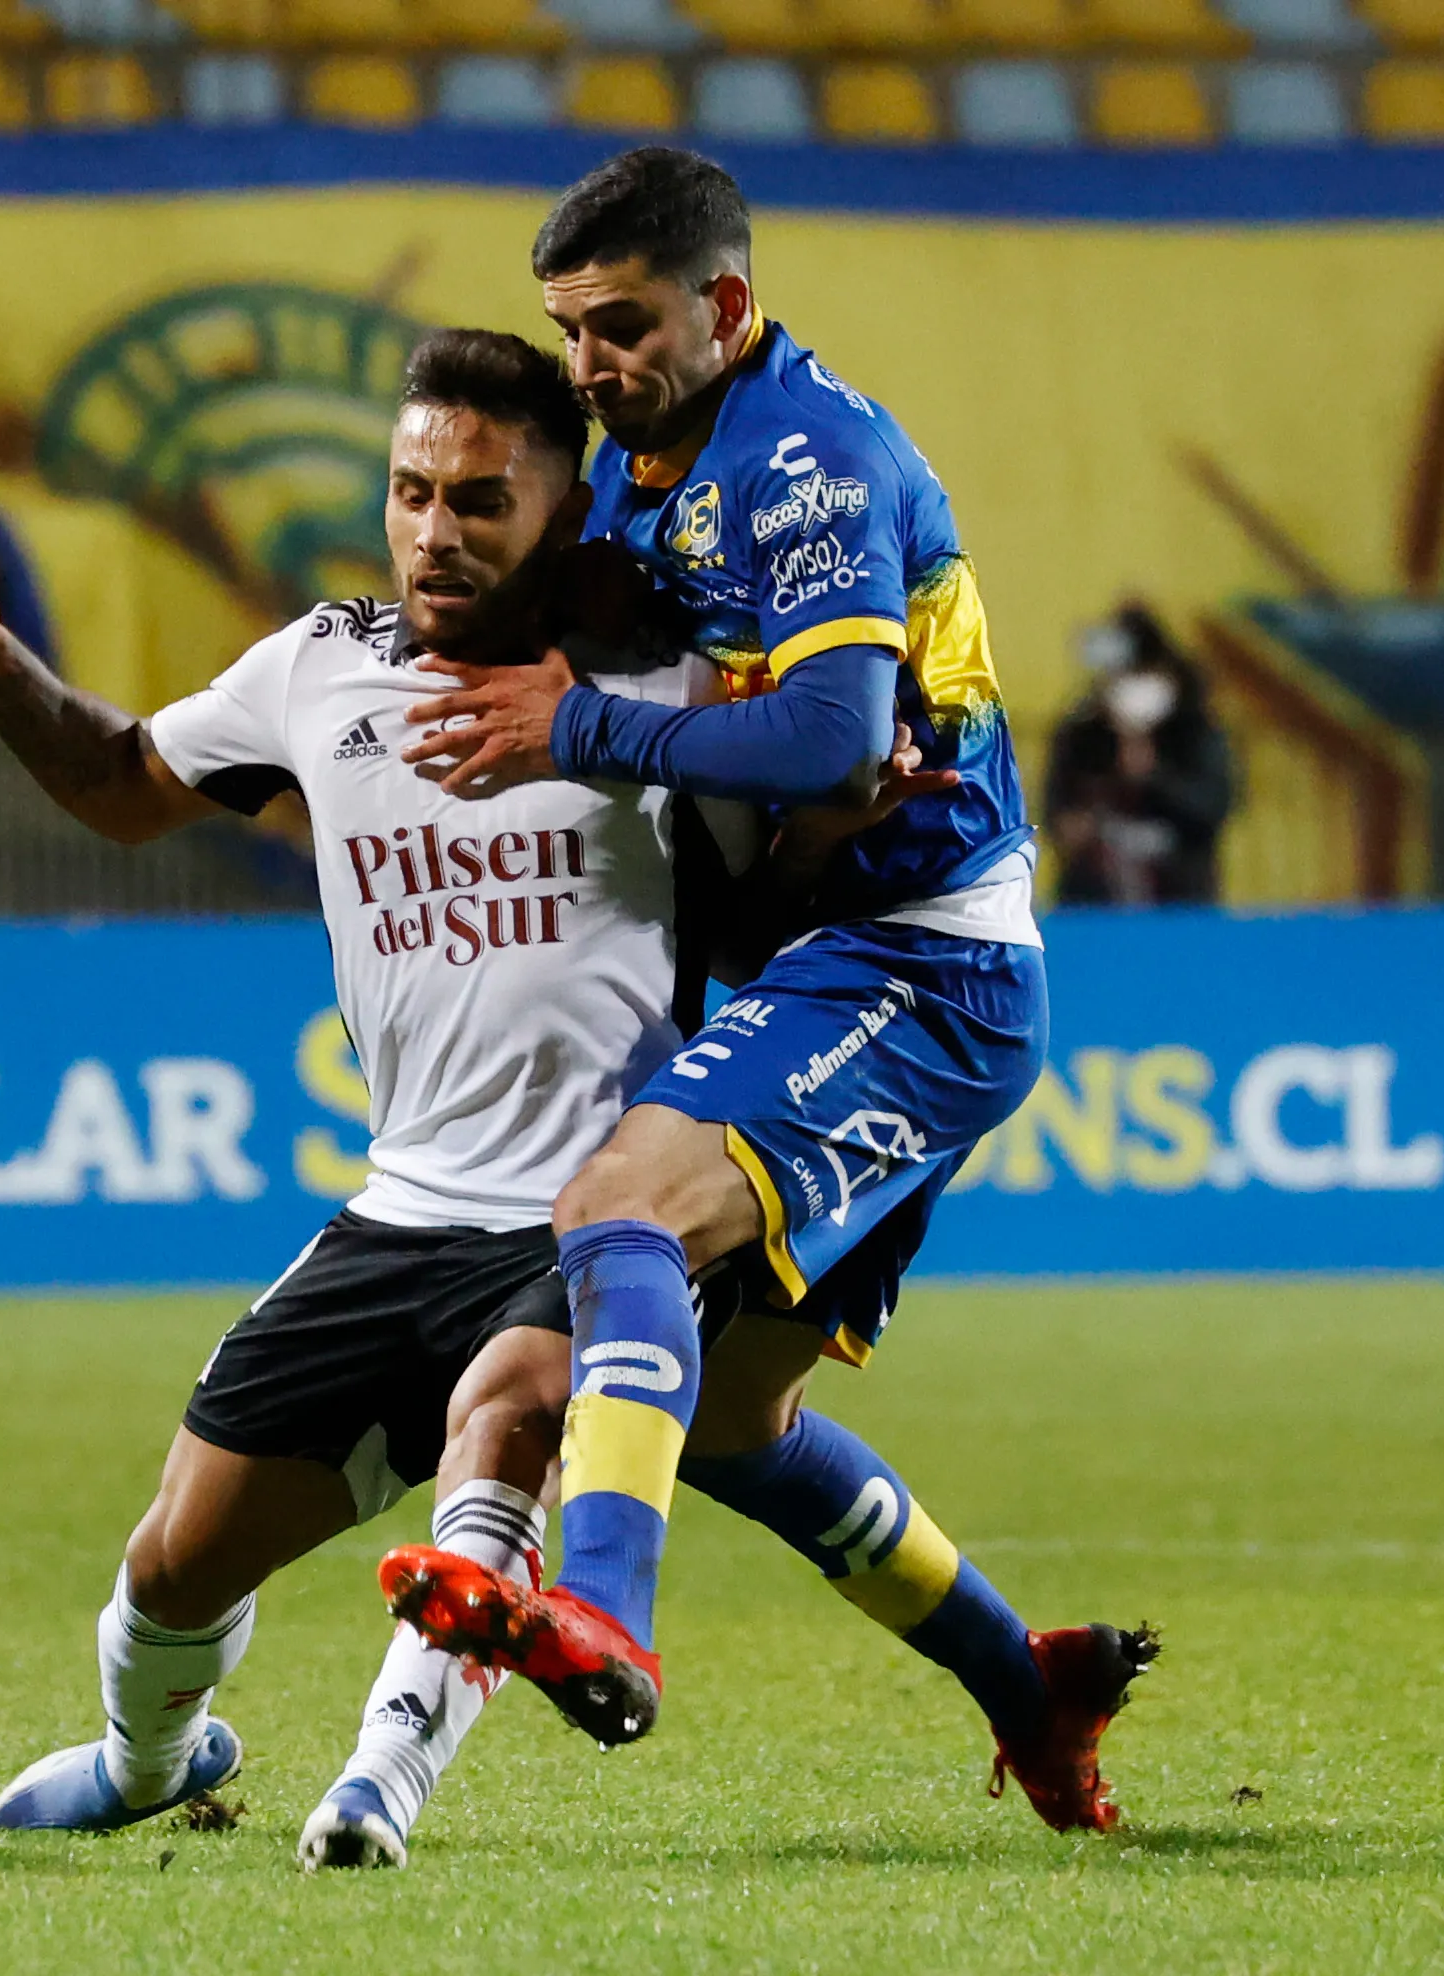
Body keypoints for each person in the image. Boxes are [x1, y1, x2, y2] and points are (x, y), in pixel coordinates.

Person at [0, 327, 1023, 1870]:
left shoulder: (669, 688)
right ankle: (155, 1759)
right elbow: (121, 787)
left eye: (480, 499)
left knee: (514, 1424)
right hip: (397, 1211)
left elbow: (752, 936)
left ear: (565, 504)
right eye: (411, 491)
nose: (433, 530)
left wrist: (835, 830)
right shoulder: (317, 667)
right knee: (169, 1568)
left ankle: (381, 1784)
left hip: (592, 1206)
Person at [379, 149, 1156, 1832]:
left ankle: (607, 1618)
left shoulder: (799, 457)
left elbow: (819, 732)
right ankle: (1029, 1687)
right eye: (568, 328)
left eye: (622, 322)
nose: (590, 360)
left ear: (721, 305)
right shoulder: (651, 467)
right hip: (847, 953)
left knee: (618, 1214)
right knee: (727, 1416)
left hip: (920, 955)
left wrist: (566, 723)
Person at [1044, 602, 1237, 906]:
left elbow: (1212, 807)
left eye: (1139, 672)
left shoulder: (1195, 733)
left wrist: (1154, 777)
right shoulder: (1079, 736)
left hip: (1181, 902)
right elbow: (1056, 814)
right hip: (1095, 905)